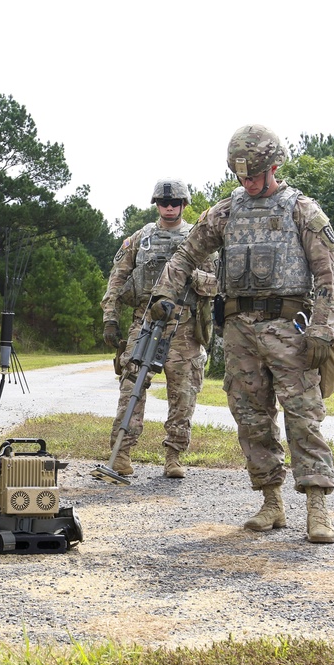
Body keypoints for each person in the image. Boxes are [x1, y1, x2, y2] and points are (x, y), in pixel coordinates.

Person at [150, 125, 334, 543]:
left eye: (254, 174)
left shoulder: (300, 210)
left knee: (303, 415)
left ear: (274, 166)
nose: (247, 182)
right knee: (251, 418)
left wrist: (324, 327)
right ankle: (271, 502)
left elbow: (327, 273)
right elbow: (187, 251)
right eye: (241, 175)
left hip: (290, 329)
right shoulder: (226, 211)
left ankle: (317, 507)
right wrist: (165, 290)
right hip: (238, 330)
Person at [101, 178, 217, 479]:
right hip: (145, 320)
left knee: (183, 393)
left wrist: (189, 276)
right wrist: (110, 318)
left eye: (175, 203)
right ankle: (122, 453)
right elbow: (117, 279)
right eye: (164, 203)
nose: (169, 207)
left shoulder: (198, 239)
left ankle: (174, 456)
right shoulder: (141, 239)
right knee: (131, 386)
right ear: (156, 204)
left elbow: (218, 283)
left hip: (184, 324)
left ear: (184, 205)